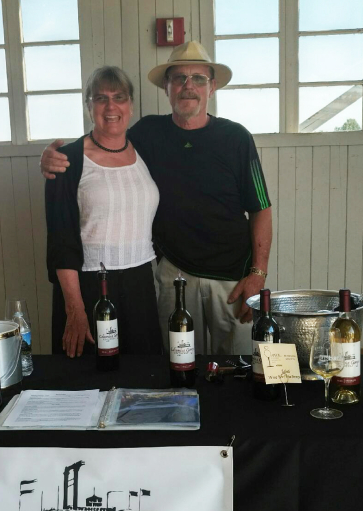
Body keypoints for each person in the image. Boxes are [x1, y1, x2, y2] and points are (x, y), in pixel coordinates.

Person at [42, 41, 273, 356]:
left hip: (232, 280)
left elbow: (261, 208)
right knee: (173, 369)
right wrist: (54, 157)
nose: (188, 87)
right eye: (179, 78)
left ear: (212, 86)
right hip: (171, 278)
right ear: (167, 87)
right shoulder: (147, 134)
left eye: (198, 79)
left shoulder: (237, 138)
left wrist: (258, 275)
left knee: (242, 368)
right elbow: (105, 138)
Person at [45, 66, 163, 358]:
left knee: (142, 379)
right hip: (87, 288)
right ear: (88, 106)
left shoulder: (147, 149)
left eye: (119, 97)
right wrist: (75, 308)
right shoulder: (67, 160)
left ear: (131, 105)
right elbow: (61, 241)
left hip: (140, 284)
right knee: (87, 382)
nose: (111, 106)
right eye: (100, 98)